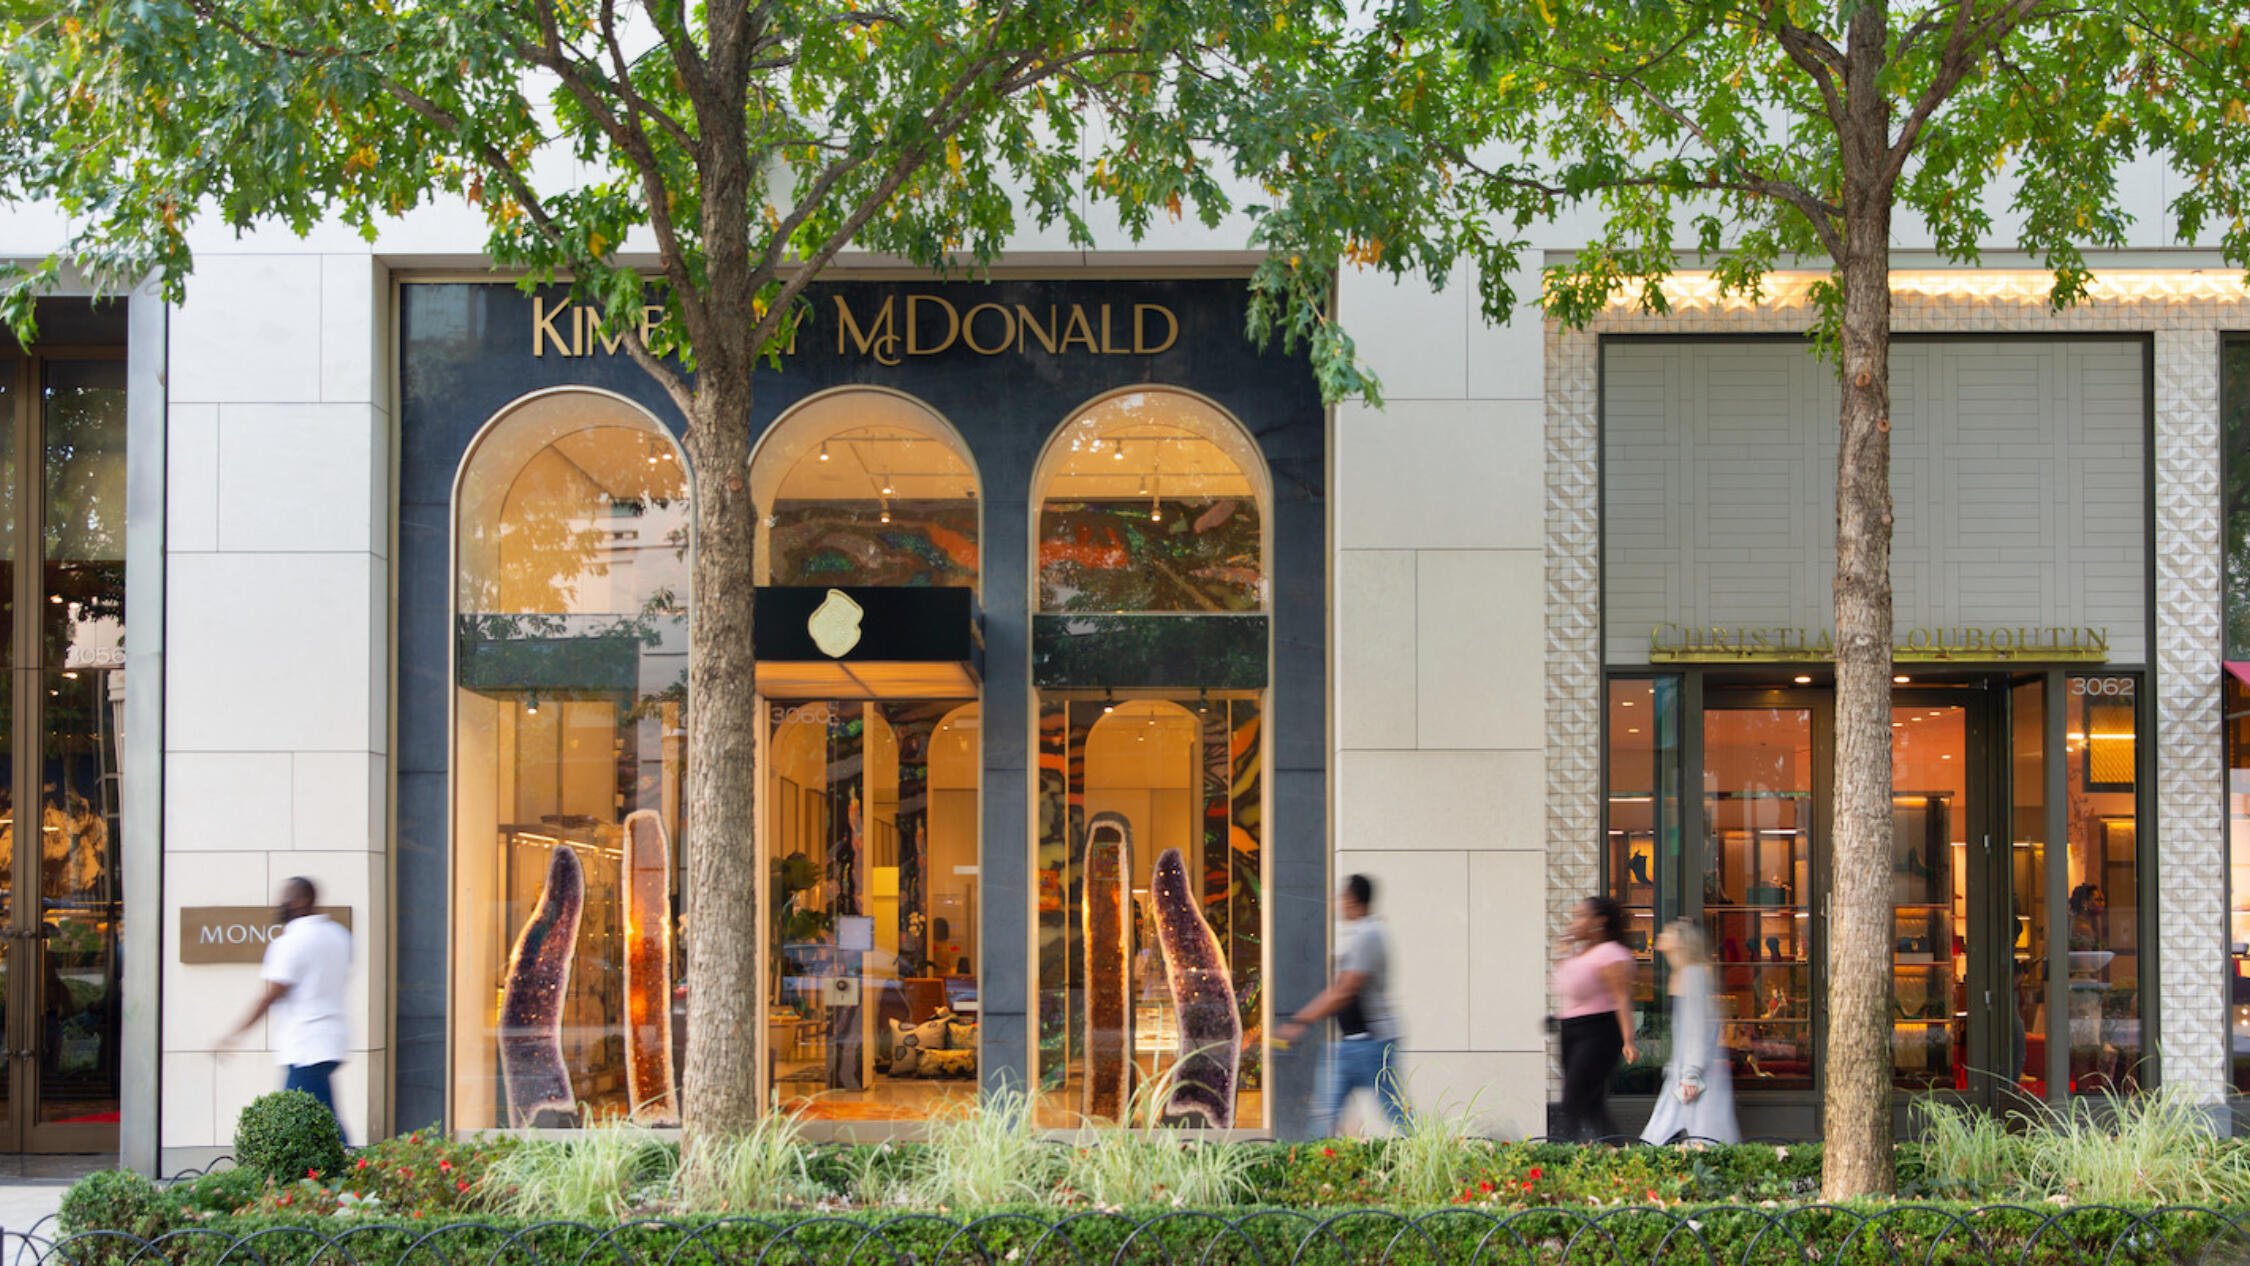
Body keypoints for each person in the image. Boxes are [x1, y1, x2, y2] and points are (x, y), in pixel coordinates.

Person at [1278, 873, 1408, 1136]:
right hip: (1351, 1045)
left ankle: (1434, 1157)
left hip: (1371, 1046)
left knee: (1393, 1112)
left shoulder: (1369, 935)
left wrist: (1299, 1022)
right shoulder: (1363, 934)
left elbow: (1344, 991)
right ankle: (1315, 1168)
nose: (1338, 903)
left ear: (1352, 900)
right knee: (1326, 1114)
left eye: (1341, 897)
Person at [224, 877, 352, 1138]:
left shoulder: (290, 943)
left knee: (308, 1123)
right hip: (331, 1040)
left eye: (286, 897)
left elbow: (270, 995)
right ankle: (339, 1171)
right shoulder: (339, 935)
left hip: (306, 1045)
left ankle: (351, 1172)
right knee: (316, 1119)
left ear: (303, 901)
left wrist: (235, 1034)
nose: (280, 904)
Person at [1639, 919, 1737, 1145]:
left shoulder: (1692, 975)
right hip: (1685, 1071)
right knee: (1680, 1134)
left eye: (1668, 932)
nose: (1661, 936)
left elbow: (1696, 1026)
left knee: (1676, 1135)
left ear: (1681, 942)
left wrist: (1690, 1073)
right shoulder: (1685, 973)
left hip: (1693, 1073)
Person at [1552, 895, 1637, 1141]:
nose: (1574, 922)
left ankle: (1560, 1155)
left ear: (1599, 921)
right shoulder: (1579, 954)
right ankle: (1617, 1154)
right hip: (1571, 1031)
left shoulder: (1611, 954)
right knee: (1591, 1104)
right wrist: (1564, 951)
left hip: (1598, 1032)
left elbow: (1622, 999)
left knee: (1573, 1099)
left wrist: (1628, 1040)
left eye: (1581, 916)